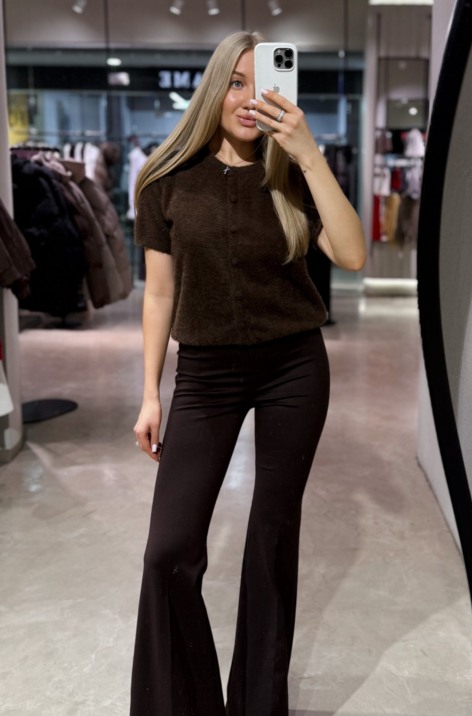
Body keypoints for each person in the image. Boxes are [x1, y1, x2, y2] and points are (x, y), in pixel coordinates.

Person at [130, 30, 366, 716]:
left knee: (270, 539)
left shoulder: (291, 174)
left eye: (262, 84)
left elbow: (352, 254)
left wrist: (309, 155)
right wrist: (149, 394)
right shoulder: (165, 180)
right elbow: (159, 294)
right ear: (213, 89)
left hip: (294, 367)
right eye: (235, 82)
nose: (248, 98)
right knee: (168, 550)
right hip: (205, 373)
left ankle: (259, 706)